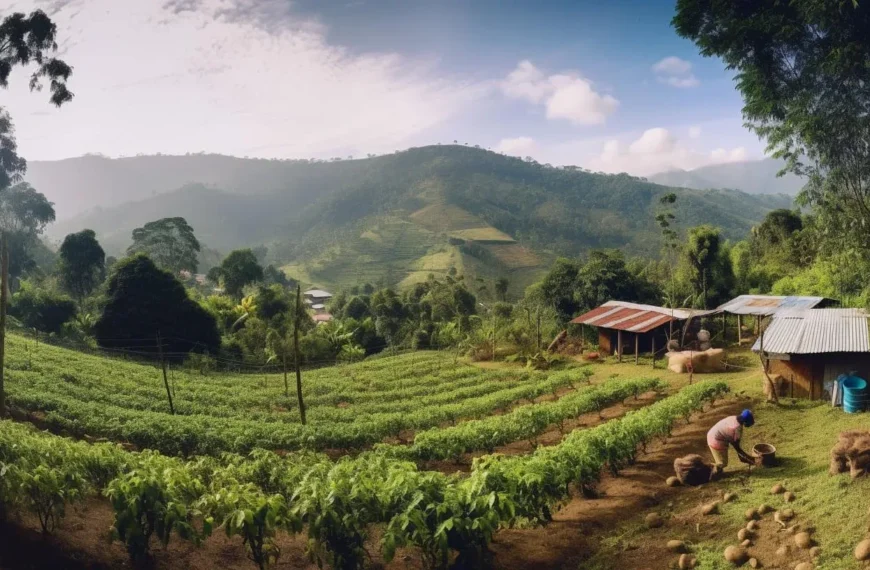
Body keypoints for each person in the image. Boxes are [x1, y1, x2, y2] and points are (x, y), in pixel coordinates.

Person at [707, 409, 754, 474]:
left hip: (712, 434)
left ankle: (717, 472)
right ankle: (709, 472)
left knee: (720, 460)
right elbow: (736, 446)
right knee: (722, 463)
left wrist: (742, 455)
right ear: (746, 422)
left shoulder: (734, 417)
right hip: (715, 440)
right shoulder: (736, 428)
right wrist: (744, 456)